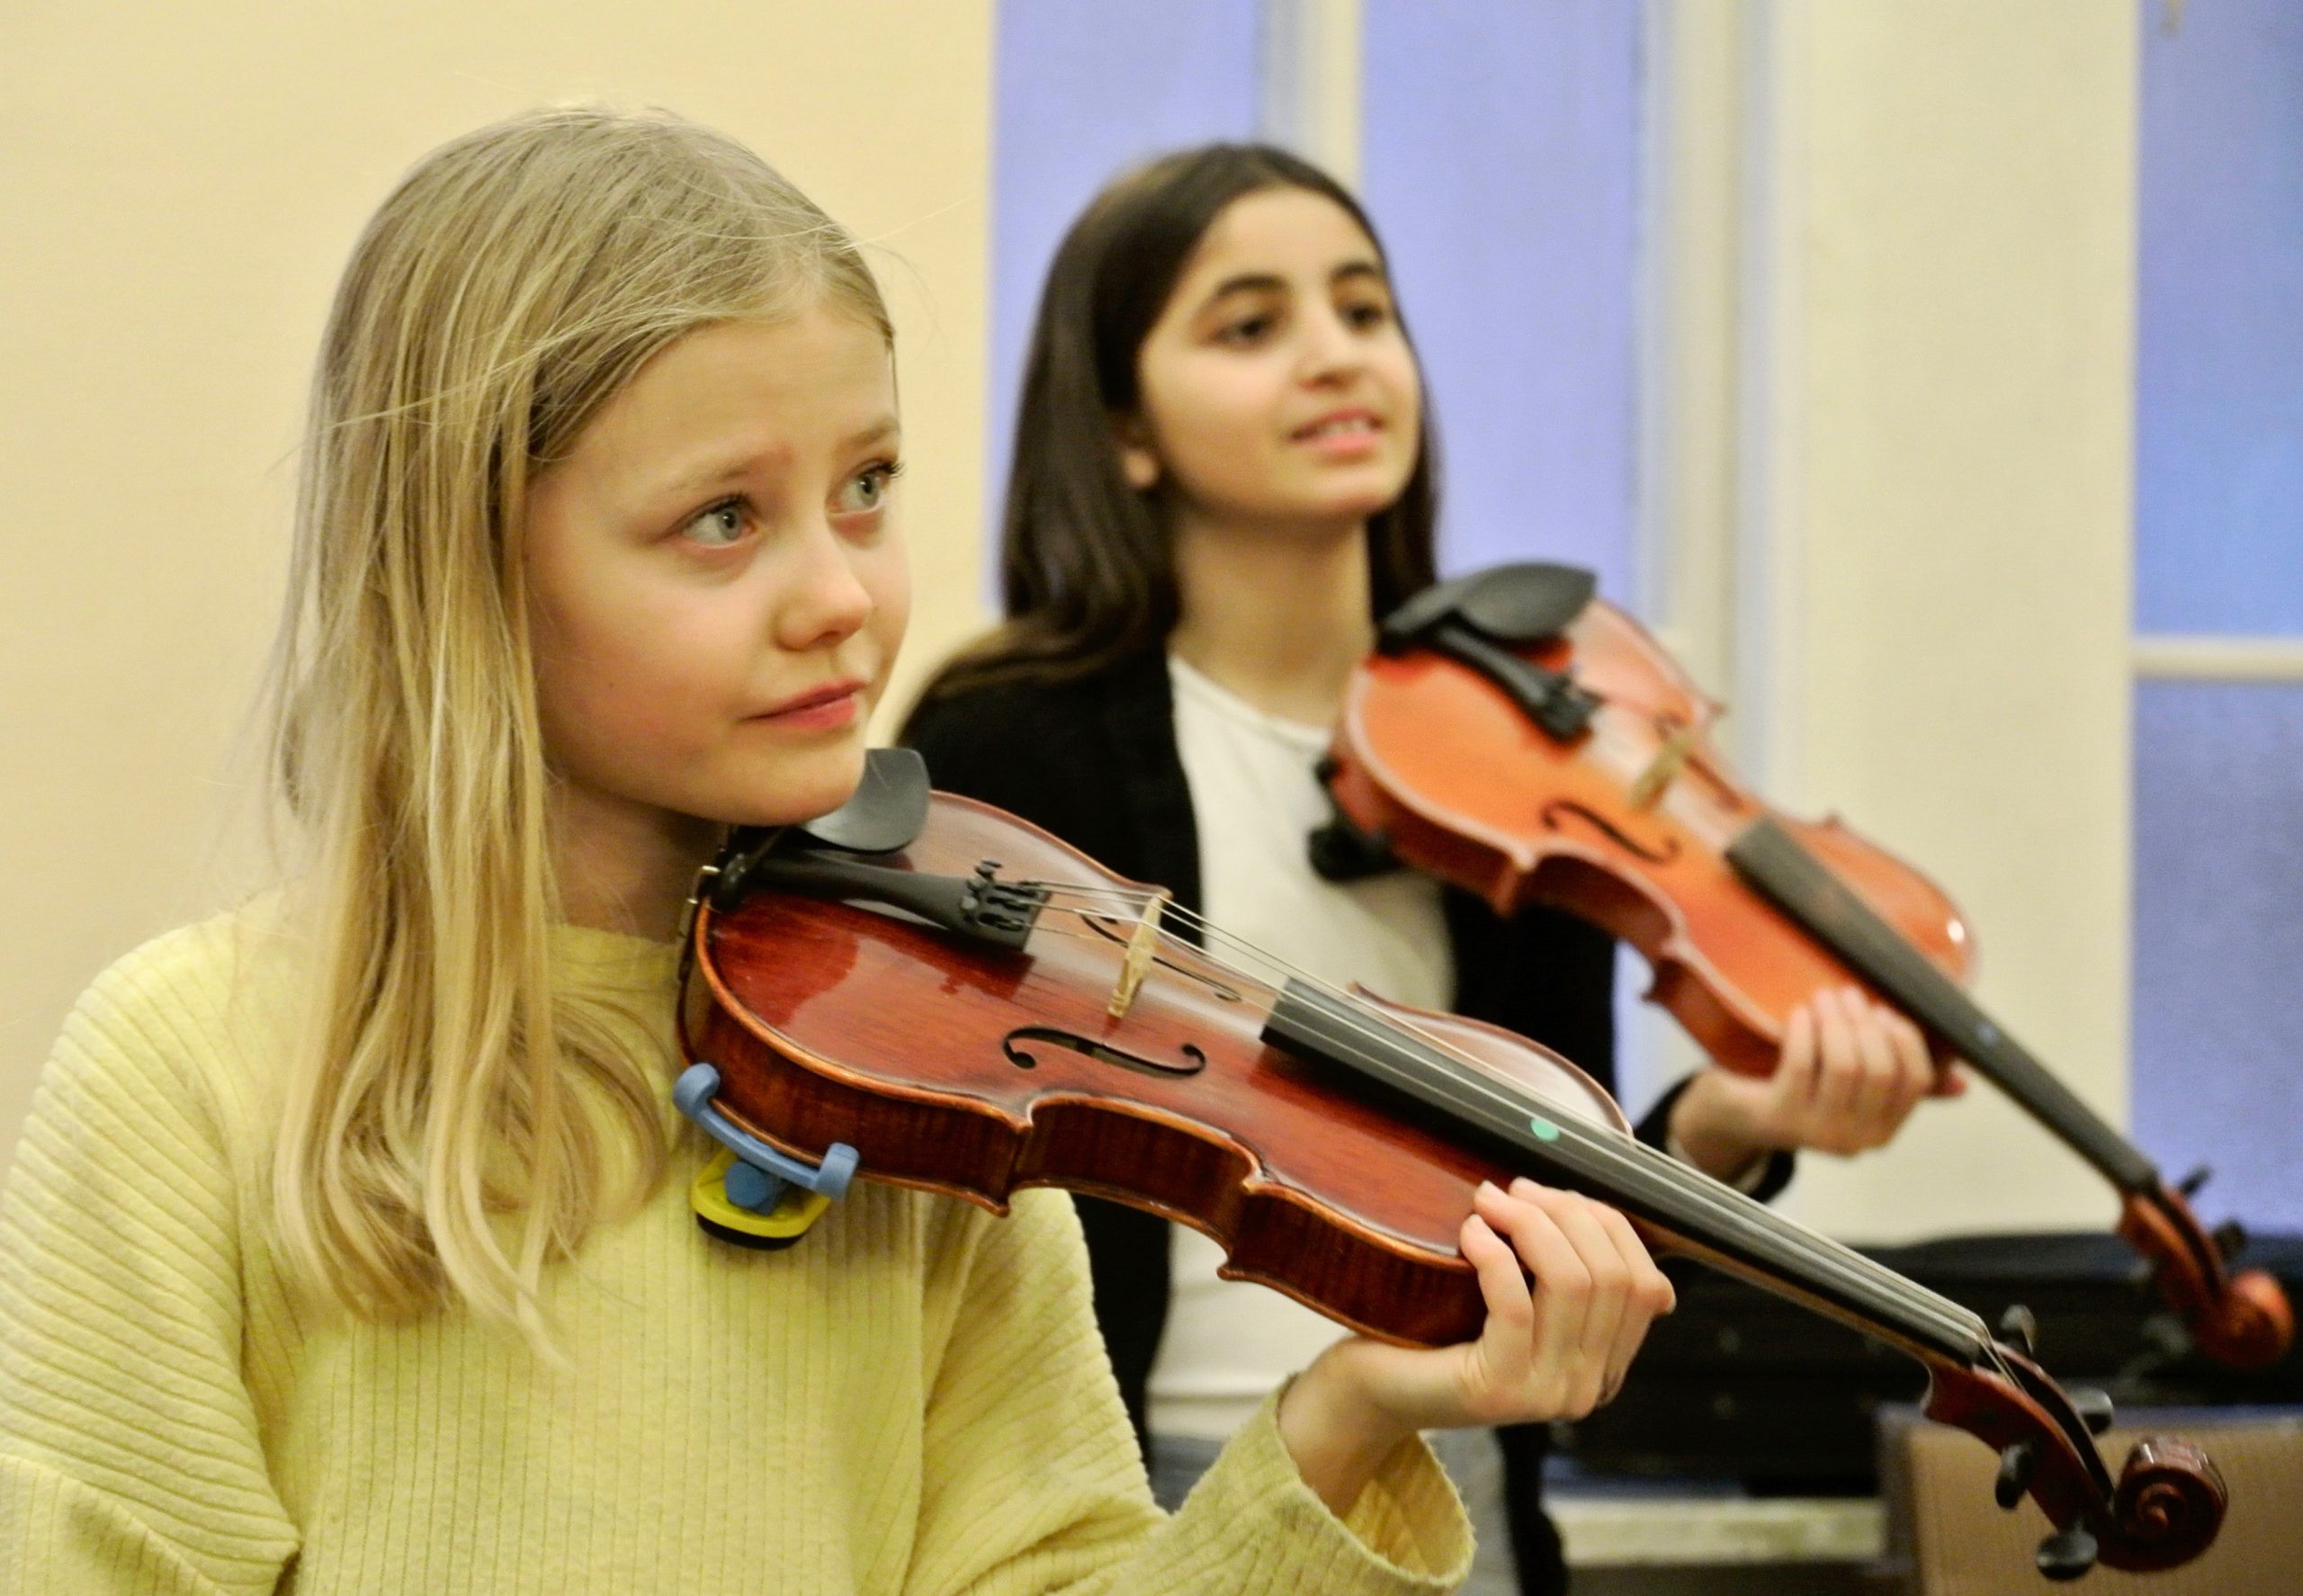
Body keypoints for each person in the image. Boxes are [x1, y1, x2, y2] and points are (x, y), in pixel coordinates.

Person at [0, 111, 1679, 1596]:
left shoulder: (924, 1072)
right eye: (723, 518)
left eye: (865, 487)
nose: (844, 596)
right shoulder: (194, 1070)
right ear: (467, 564)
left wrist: (1351, 1407)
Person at [901, 142, 1954, 1596]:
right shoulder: (1007, 738)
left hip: (1455, 1467)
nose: (1336, 358)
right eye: (1250, 325)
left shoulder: (1515, 764)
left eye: (1363, 309)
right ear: (1125, 426)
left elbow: (1568, 1223)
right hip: (1118, 1474)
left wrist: (1723, 1122)